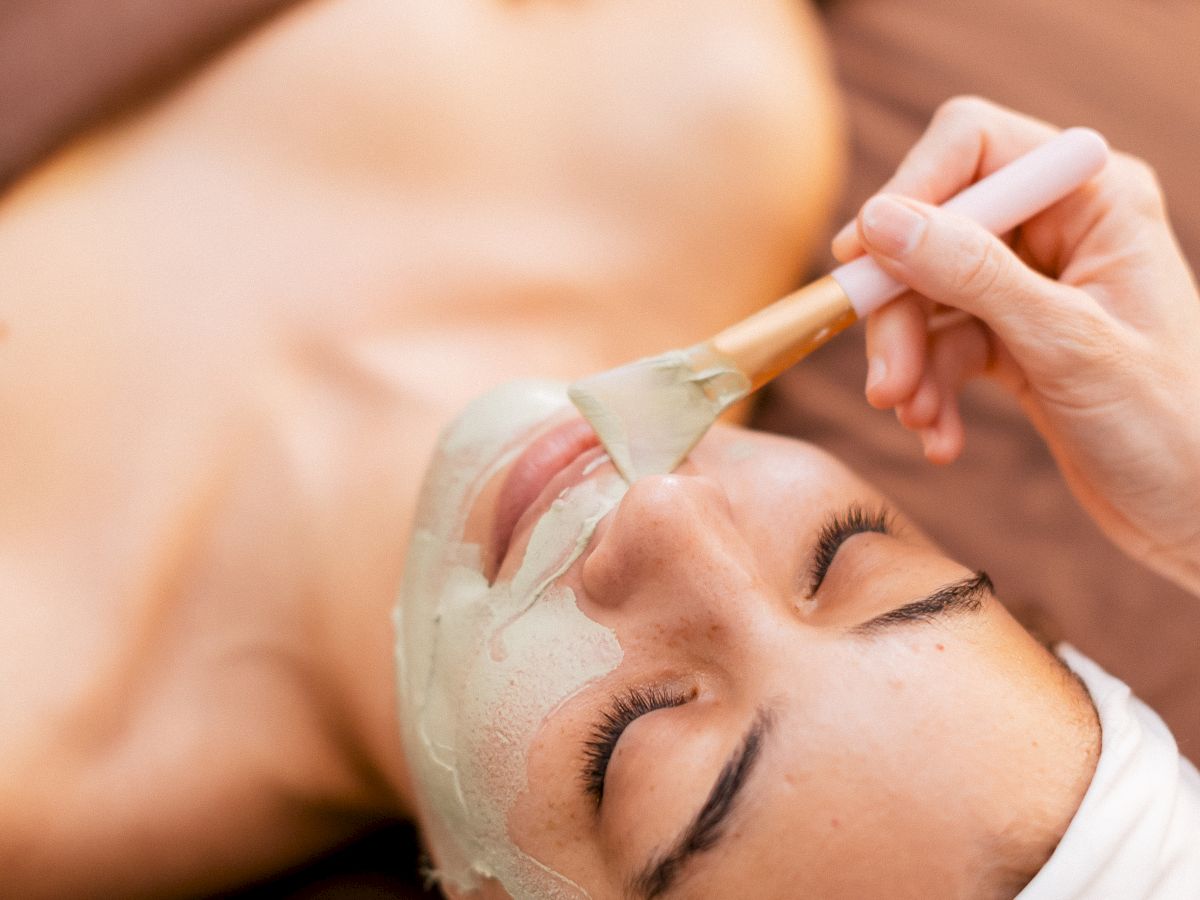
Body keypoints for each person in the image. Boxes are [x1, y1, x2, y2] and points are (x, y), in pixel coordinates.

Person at [0, 2, 1195, 897]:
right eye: (843, 556)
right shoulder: (688, 91)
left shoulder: (34, 743)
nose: (664, 517)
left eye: (631, 746)